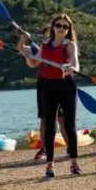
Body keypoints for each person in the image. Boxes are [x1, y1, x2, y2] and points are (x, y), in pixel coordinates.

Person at [22, 14, 83, 178]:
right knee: (49, 126)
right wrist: (26, 53)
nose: (62, 29)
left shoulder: (70, 44)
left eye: (65, 26)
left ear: (69, 29)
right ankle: (50, 165)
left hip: (66, 85)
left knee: (70, 125)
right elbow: (35, 63)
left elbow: (75, 61)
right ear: (53, 27)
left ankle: (74, 163)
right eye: (59, 25)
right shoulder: (45, 44)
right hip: (48, 87)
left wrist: (73, 68)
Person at [20, 26, 65, 162]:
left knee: (63, 119)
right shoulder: (39, 50)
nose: (49, 38)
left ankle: (71, 148)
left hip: (61, 85)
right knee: (44, 120)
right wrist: (23, 40)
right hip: (44, 86)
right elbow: (28, 56)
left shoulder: (65, 47)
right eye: (47, 36)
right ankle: (44, 149)